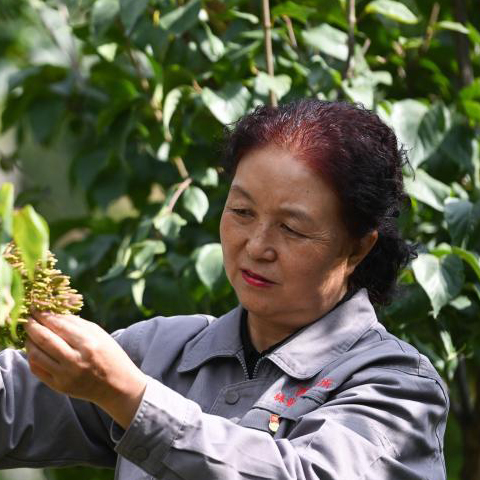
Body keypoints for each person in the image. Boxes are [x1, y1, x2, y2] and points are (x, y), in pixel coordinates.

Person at [0, 99, 448, 480]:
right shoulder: (163, 351)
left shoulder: (400, 389)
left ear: (357, 247)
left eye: (291, 229)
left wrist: (127, 395)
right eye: (241, 211)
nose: (256, 246)